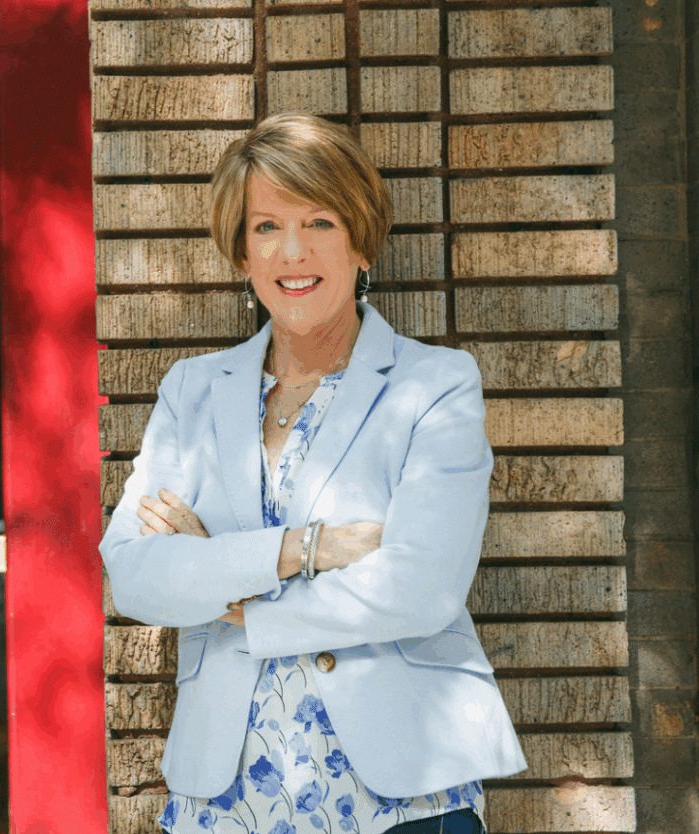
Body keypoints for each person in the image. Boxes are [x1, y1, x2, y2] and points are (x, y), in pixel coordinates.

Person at [99, 113, 527, 834]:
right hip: (224, 804)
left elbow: (420, 589)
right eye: (266, 227)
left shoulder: (435, 384)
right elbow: (137, 579)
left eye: (319, 221)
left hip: (403, 799)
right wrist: (308, 550)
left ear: (361, 242)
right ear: (241, 254)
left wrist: (231, 591)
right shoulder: (191, 392)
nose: (291, 252)